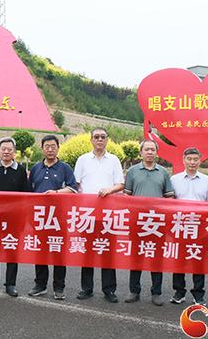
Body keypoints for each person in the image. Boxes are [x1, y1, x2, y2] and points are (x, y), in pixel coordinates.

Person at [73, 127, 124, 303]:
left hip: (108, 214)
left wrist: (110, 189)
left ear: (107, 140)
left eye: (103, 137)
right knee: (87, 252)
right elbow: (76, 184)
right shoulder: (83, 160)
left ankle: (109, 289)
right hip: (87, 214)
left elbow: (120, 184)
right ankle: (86, 288)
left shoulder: (114, 160)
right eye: (96, 137)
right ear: (91, 140)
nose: (100, 140)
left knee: (107, 252)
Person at [123, 139, 174, 306]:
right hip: (137, 222)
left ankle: (156, 292)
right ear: (141, 152)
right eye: (147, 149)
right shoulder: (132, 171)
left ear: (156, 153)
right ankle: (134, 290)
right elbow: (126, 196)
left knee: (156, 258)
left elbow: (170, 196)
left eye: (153, 149)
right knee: (136, 257)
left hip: (157, 223)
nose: (150, 152)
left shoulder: (163, 173)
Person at [28, 134, 78, 300]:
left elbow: (73, 188)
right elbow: (29, 193)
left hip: (59, 218)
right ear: (42, 149)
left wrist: (56, 193)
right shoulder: (36, 168)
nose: (50, 149)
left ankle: (59, 287)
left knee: (58, 252)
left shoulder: (65, 168)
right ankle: (40, 285)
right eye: (47, 146)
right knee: (40, 252)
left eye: (53, 146)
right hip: (40, 218)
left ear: (58, 148)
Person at [0, 136, 31, 297]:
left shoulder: (21, 170)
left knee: (12, 250)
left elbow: (26, 196)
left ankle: (10, 284)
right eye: (4, 149)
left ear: (14, 152)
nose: (6, 152)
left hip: (14, 219)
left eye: (10, 149)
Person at [169, 147, 208, 305]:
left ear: (200, 161)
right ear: (184, 160)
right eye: (189, 159)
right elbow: (168, 202)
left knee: (198, 260)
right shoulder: (174, 179)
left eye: (195, 159)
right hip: (179, 224)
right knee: (179, 259)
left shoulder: (207, 180)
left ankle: (198, 294)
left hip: (200, 226)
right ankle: (179, 291)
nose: (192, 162)